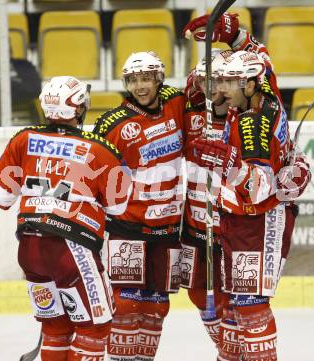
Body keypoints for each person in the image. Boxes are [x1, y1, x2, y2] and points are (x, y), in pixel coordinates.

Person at [0, 76, 133, 361]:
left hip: (31, 250)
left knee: (55, 326)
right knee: (95, 328)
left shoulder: (24, 139)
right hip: (72, 249)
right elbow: (118, 206)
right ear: (80, 108)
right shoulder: (101, 149)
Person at [183, 13, 311, 361]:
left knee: (250, 304)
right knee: (241, 304)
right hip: (242, 220)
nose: (220, 89)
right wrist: (234, 34)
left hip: (258, 219)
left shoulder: (252, 123)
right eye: (216, 82)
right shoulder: (261, 94)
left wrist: (229, 166)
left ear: (248, 85)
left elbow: (259, 188)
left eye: (228, 83)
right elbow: (261, 60)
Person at [93, 51, 201, 361]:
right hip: (127, 224)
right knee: (126, 303)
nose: (141, 86)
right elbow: (91, 169)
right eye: (134, 80)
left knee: (157, 305)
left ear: (159, 80)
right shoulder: (113, 123)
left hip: (168, 225)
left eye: (147, 79)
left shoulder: (175, 102)